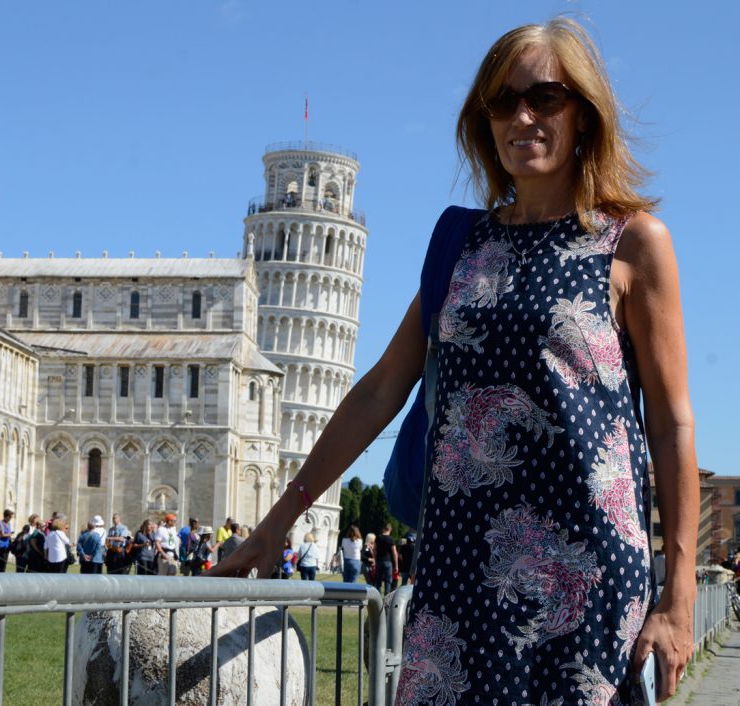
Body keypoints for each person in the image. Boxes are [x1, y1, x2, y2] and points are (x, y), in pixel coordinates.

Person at [211, 17, 698, 703]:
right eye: (502, 102)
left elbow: (674, 424)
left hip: (584, 580)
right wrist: (277, 523)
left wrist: (678, 598)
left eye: (545, 98)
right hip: (457, 570)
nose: (521, 117)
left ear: (583, 114)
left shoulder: (631, 244)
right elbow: (379, 392)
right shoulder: (462, 246)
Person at [374, 524, 399, 597]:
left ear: (384, 529)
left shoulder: (378, 538)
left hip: (379, 561)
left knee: (378, 581)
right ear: (390, 530)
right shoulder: (391, 539)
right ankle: (386, 598)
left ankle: (377, 598)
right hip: (388, 561)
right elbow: (394, 552)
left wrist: (375, 560)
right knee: (388, 581)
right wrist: (396, 565)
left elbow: (374, 550)